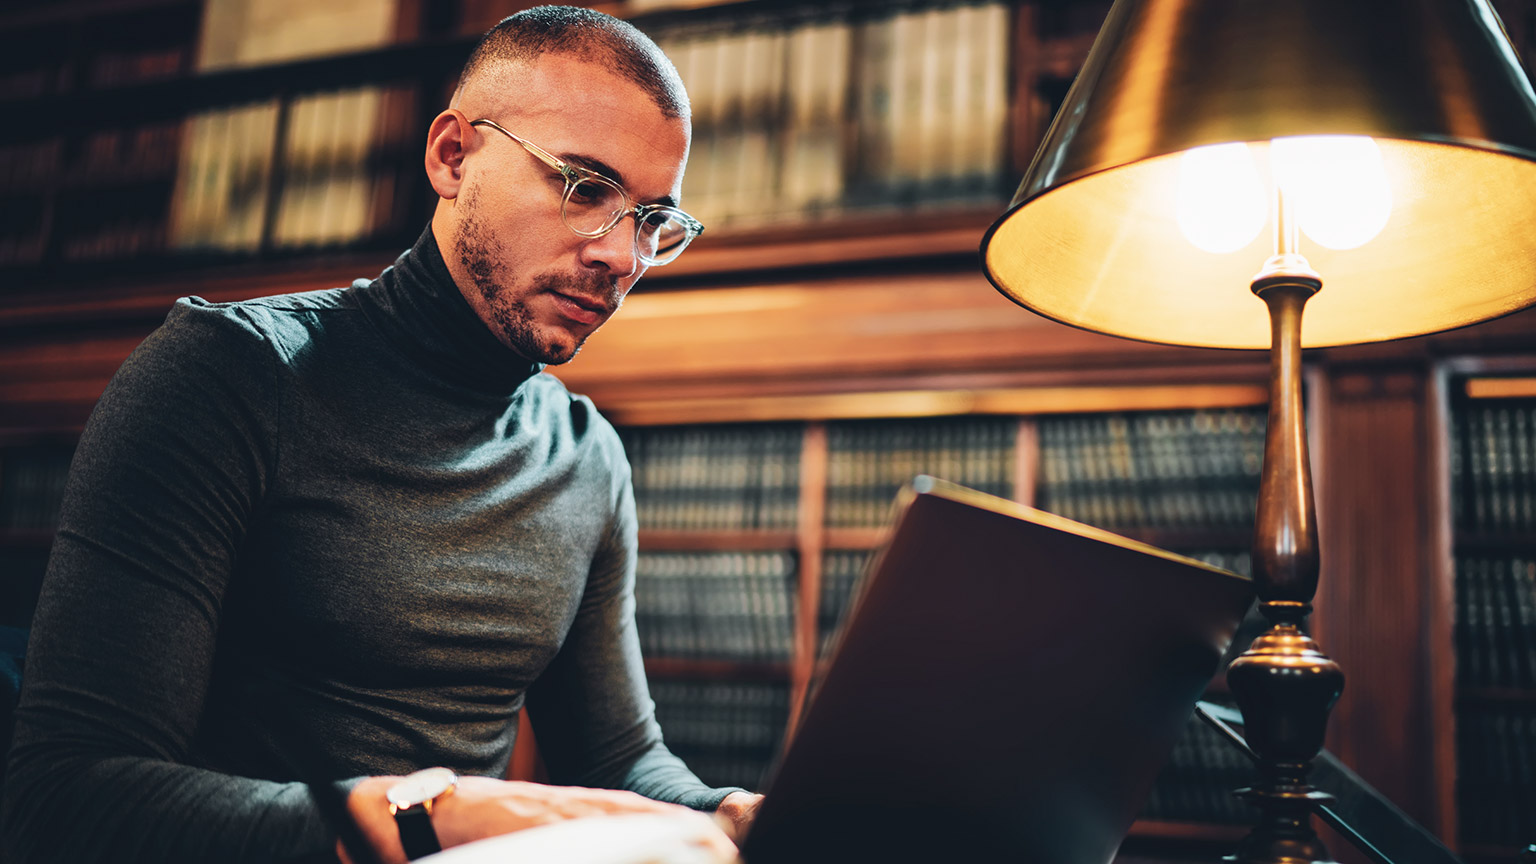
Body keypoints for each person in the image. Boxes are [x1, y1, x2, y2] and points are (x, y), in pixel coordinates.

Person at [0, 7, 763, 863]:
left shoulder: (586, 459)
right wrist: (421, 818)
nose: (622, 256)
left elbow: (621, 761)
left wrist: (729, 811)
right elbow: (62, 798)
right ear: (451, 156)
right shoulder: (227, 379)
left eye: (654, 219)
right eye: (587, 190)